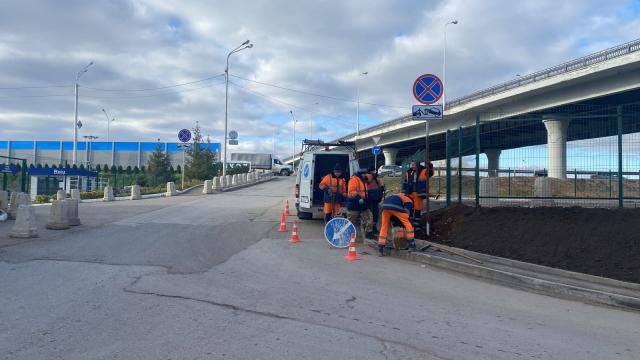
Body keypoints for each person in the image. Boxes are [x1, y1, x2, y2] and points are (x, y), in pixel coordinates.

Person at [377, 192, 416, 256]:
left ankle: (381, 247)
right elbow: (406, 213)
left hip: (384, 207)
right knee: (408, 224)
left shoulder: (397, 195)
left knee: (384, 226)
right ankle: (411, 244)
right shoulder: (409, 201)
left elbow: (395, 215)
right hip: (394, 206)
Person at [347, 169, 373, 243]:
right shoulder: (354, 179)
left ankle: (368, 234)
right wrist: (359, 198)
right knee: (352, 221)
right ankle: (348, 235)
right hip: (354, 204)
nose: (366, 175)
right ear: (361, 174)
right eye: (365, 174)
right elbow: (351, 191)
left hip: (362, 203)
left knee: (368, 217)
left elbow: (364, 192)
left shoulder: (363, 180)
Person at [364, 168, 384, 238]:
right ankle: (372, 229)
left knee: (372, 214)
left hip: (372, 197)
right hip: (374, 197)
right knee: (373, 213)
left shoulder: (371, 176)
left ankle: (372, 229)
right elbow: (379, 184)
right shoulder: (372, 176)